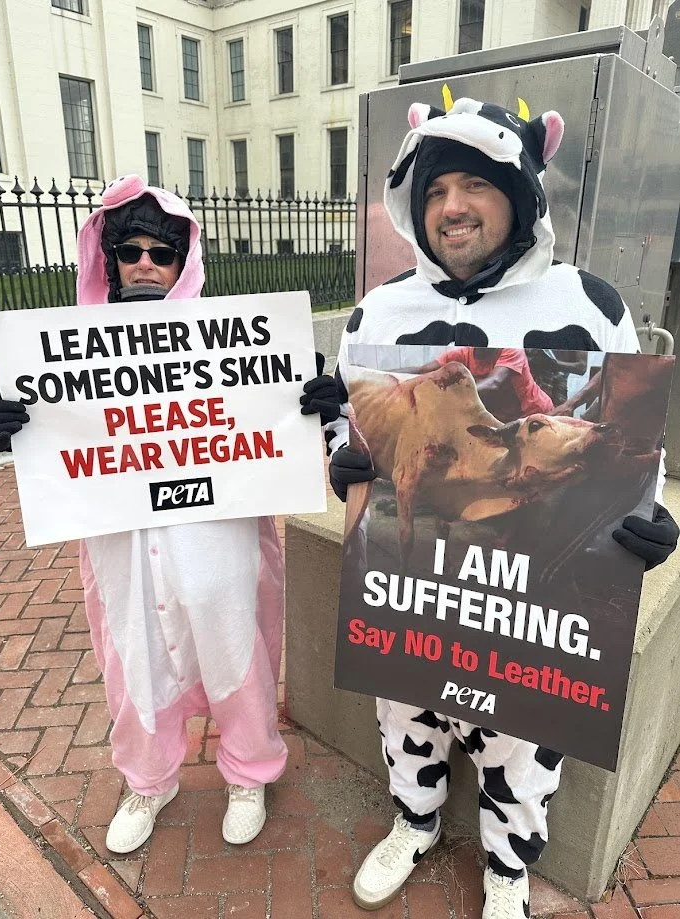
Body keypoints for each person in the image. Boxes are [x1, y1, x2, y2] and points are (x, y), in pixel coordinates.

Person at [301, 96, 679, 916]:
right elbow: (359, 434)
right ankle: (414, 818)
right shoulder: (377, 311)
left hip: (525, 591)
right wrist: (344, 458)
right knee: (404, 704)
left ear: (520, 196)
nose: (452, 208)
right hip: (410, 578)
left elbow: (624, 448)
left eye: (474, 183)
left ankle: (508, 863)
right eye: (435, 191)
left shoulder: (590, 303)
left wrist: (644, 526)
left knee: (520, 739)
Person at [0, 175, 287, 853]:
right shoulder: (61, 353)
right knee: (134, 661)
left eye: (164, 251)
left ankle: (250, 770)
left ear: (185, 261)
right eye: (132, 251)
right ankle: (149, 780)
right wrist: (14, 429)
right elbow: (54, 440)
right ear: (109, 258)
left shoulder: (233, 346)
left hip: (214, 538)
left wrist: (303, 409)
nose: (148, 263)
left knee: (234, 642)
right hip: (122, 542)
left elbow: (268, 426)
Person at [393, 346, 554, 421]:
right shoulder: (462, 353)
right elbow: (422, 370)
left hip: (534, 412)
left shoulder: (511, 350)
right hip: (503, 419)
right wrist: (379, 374)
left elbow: (493, 384)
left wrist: (444, 396)